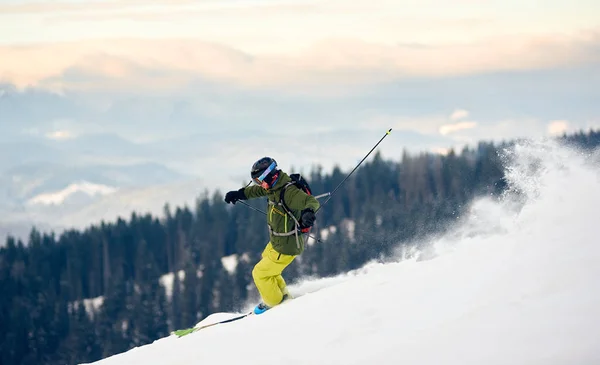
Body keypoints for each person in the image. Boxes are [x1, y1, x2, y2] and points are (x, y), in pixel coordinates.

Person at [224, 157, 319, 314]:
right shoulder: (274, 186)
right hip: (278, 242)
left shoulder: (288, 192)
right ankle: (283, 296)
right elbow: (257, 191)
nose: (260, 185)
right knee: (267, 260)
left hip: (287, 245)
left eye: (260, 181)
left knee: (259, 273)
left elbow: (312, 202)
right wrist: (239, 194)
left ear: (269, 177)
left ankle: (273, 303)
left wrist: (309, 213)